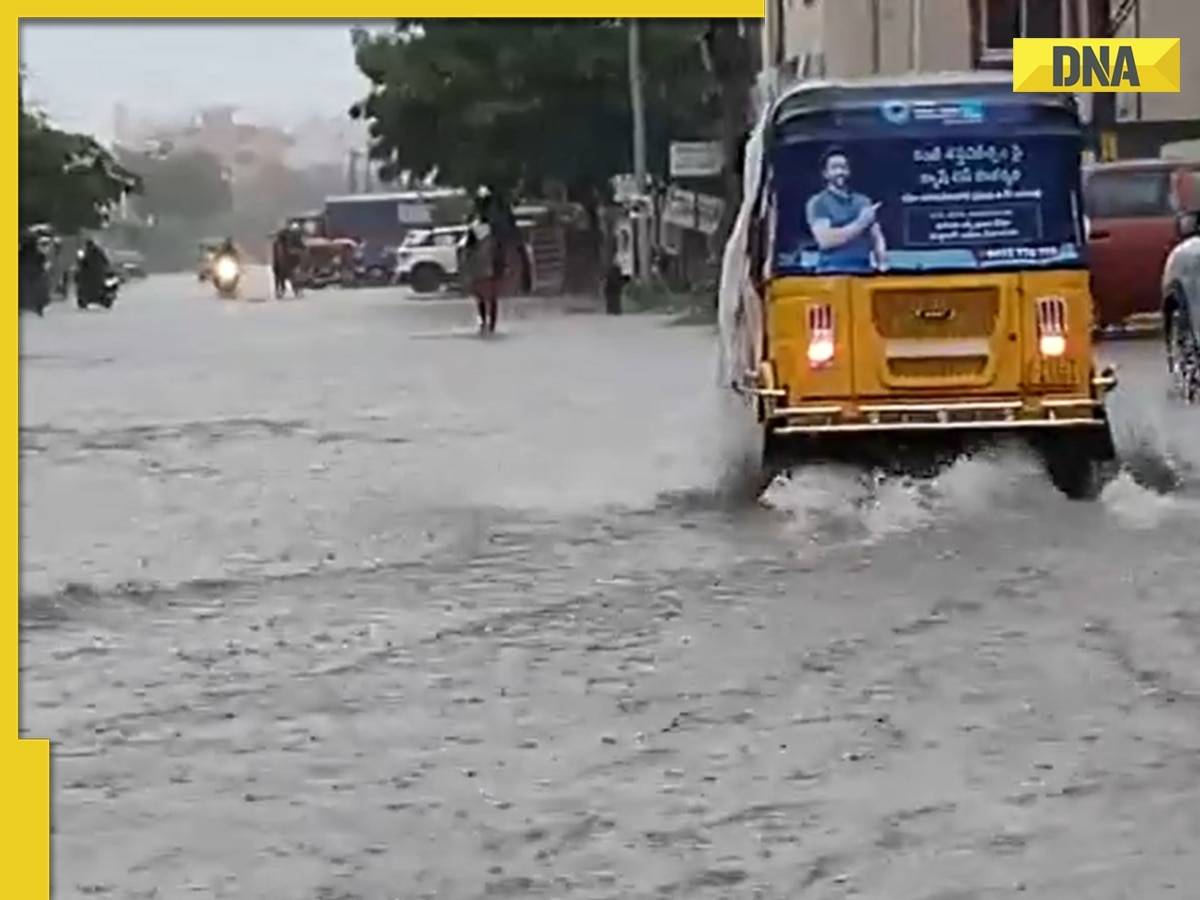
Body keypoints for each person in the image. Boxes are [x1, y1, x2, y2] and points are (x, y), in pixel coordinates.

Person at [805, 147, 887, 273]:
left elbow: (876, 237)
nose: (840, 172)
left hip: (864, 272)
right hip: (830, 274)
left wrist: (882, 264)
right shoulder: (818, 202)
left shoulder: (863, 201)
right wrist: (861, 223)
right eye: (835, 168)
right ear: (825, 174)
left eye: (843, 167)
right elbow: (826, 240)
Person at [462, 187, 503, 334]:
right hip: (490, 265)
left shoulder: (477, 227)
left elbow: (468, 249)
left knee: (482, 296)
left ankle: (485, 323)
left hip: (482, 266)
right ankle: (489, 324)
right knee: (490, 297)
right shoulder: (493, 226)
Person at [19, 232, 50, 316]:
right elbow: (43, 262)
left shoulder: (22, 252)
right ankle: (39, 307)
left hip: (24, 273)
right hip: (36, 274)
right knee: (39, 291)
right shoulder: (38, 253)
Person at [75, 238, 111, 307]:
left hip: (92, 273)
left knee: (86, 285)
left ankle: (96, 297)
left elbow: (81, 261)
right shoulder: (97, 251)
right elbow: (106, 261)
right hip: (94, 273)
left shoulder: (88, 252)